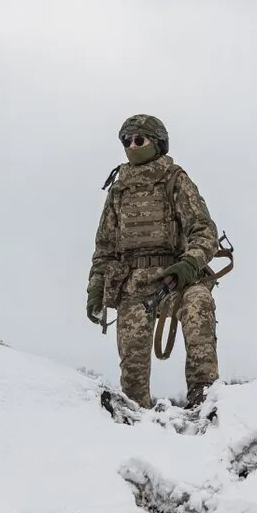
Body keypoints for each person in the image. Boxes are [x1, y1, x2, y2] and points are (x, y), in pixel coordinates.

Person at [86, 114, 220, 410]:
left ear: (157, 143)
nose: (132, 146)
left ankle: (204, 400)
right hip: (132, 284)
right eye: (127, 141)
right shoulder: (118, 190)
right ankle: (137, 421)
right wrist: (95, 290)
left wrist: (188, 264)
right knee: (132, 385)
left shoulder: (175, 180)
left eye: (139, 140)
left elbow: (204, 231)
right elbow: (105, 248)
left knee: (199, 302)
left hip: (175, 278)